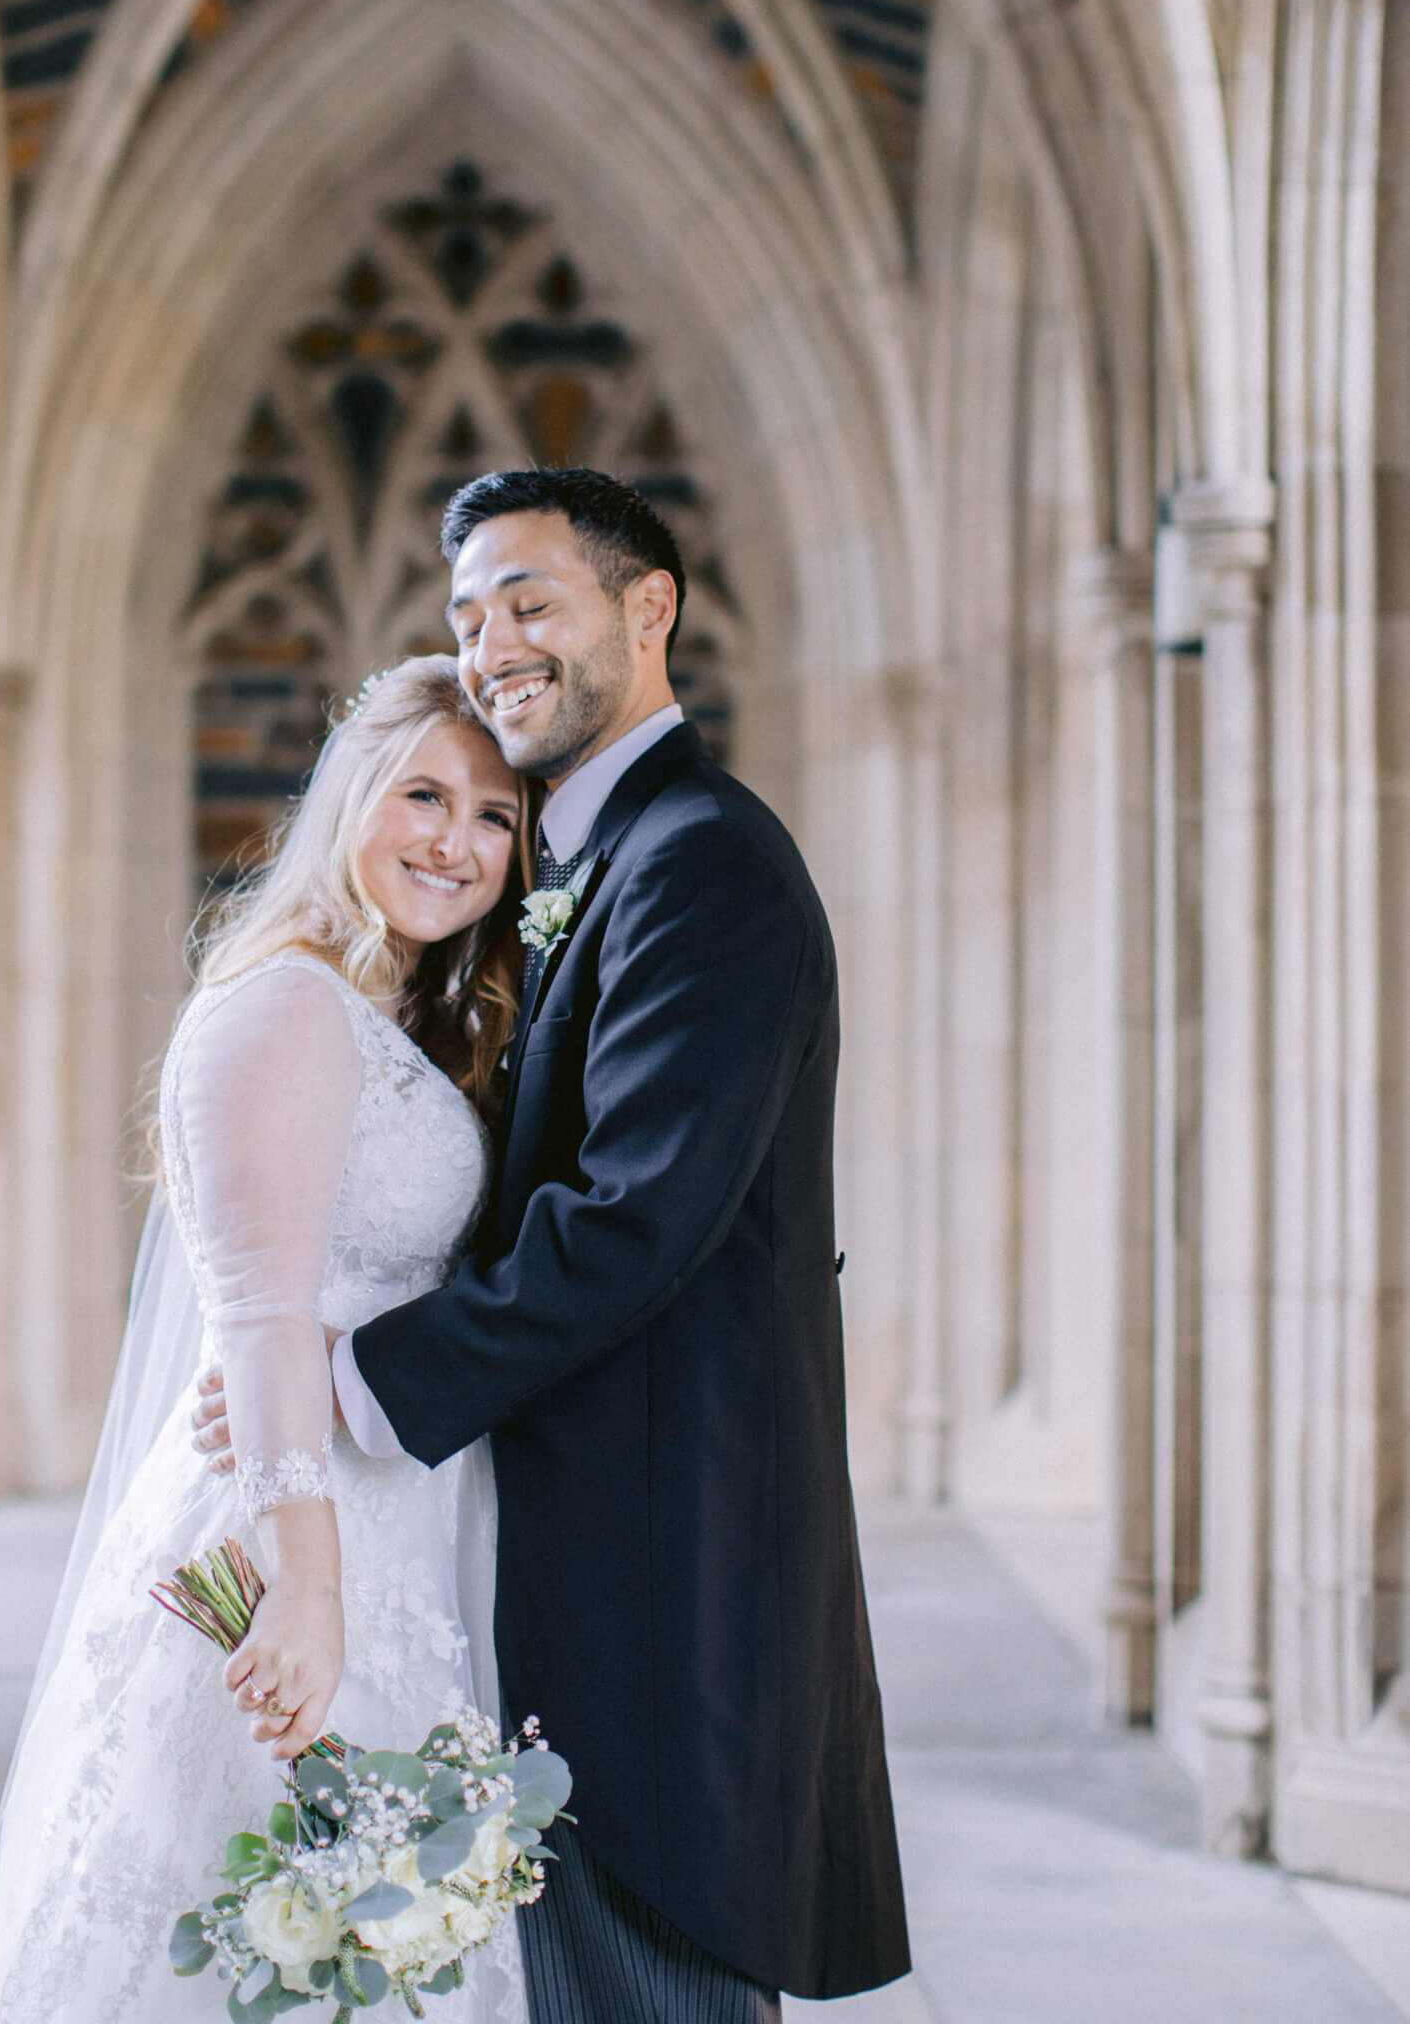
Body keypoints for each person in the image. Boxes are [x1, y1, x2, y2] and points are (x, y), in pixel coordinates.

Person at [196, 468, 912, 2021]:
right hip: (571, 1541)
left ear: (648, 611)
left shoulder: (700, 861)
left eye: (530, 600)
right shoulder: (586, 866)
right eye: (467, 612)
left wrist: (352, 1374)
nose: (489, 640)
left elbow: (636, 1217)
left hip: (670, 1556)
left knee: (648, 1987)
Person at [0, 656, 536, 2024]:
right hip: (293, 1542)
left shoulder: (386, 1012)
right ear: (348, 800)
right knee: (272, 1933)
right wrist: (306, 1597)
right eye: (424, 795)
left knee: (379, 1952)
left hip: (400, 1523)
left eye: (496, 818)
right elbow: (261, 1326)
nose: (457, 842)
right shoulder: (282, 1008)